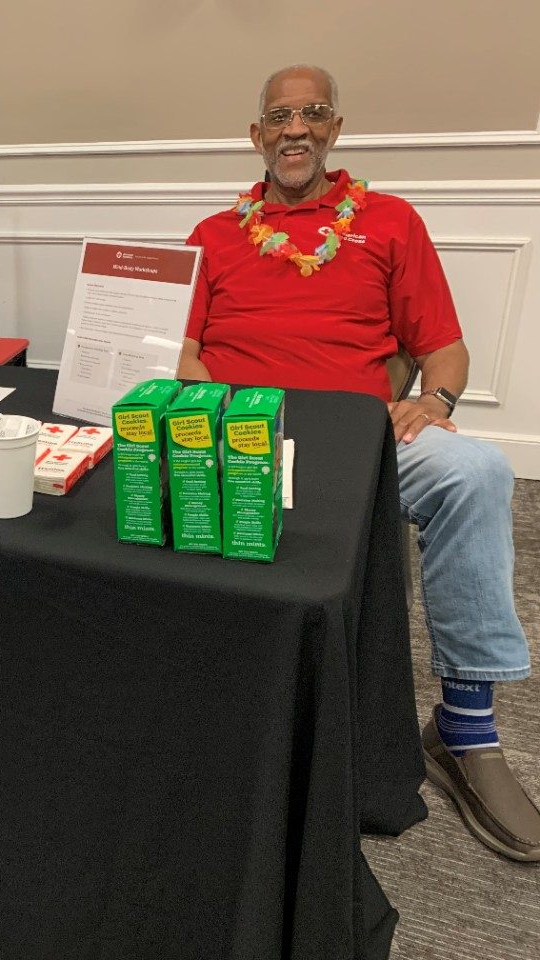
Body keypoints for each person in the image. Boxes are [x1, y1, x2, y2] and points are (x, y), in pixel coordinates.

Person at [179, 64, 539, 861]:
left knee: (477, 474)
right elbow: (183, 348)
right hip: (244, 433)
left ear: (335, 129)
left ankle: (466, 731)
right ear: (256, 135)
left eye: (312, 113)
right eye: (279, 116)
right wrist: (223, 406)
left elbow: (443, 350)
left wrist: (434, 405)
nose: (295, 128)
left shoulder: (389, 222)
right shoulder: (213, 234)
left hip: (362, 433)